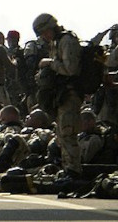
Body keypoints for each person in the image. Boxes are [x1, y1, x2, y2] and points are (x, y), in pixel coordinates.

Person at [34, 12, 83, 179]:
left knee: (68, 132)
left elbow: (71, 69)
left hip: (70, 93)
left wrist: (50, 63)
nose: (44, 37)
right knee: (62, 134)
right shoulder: (57, 42)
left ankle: (74, 171)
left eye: (44, 33)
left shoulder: (67, 41)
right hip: (60, 95)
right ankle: (68, 167)